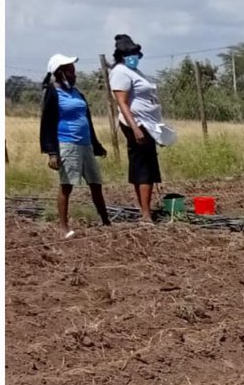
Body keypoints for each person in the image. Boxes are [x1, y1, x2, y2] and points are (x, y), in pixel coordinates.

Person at [40, 53, 110, 239]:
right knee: (67, 185)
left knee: (96, 184)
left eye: (74, 70)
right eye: (70, 71)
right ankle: (63, 227)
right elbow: (46, 123)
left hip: (85, 144)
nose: (74, 74)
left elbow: (87, 120)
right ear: (60, 72)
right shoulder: (53, 92)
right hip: (67, 143)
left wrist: (96, 145)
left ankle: (106, 221)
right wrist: (52, 152)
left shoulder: (77, 93)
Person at [108, 34, 171, 224]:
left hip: (148, 125)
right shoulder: (120, 72)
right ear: (121, 55)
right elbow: (122, 103)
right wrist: (135, 128)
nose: (133, 56)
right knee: (144, 170)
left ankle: (146, 210)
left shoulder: (134, 71)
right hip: (137, 125)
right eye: (129, 53)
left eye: (135, 53)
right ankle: (145, 214)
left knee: (147, 168)